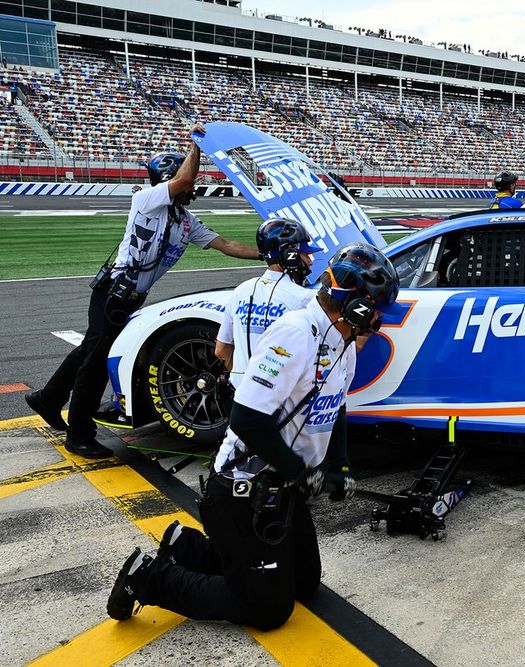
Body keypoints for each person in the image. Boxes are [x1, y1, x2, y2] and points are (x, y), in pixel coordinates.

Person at [105, 244, 400, 630]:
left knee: (305, 583)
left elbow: (336, 405)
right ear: (355, 304)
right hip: (242, 489)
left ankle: (186, 546)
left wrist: (338, 465)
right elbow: (246, 419)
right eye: (376, 308)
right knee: (269, 610)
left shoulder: (342, 341)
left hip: (285, 488)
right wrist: (299, 469)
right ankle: (148, 578)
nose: (378, 319)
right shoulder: (295, 334)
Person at [25, 125, 259, 459]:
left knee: (89, 350)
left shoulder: (186, 220)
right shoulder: (147, 200)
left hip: (131, 297)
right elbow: (181, 181)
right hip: (112, 293)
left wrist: (269, 253)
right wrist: (196, 148)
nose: (194, 187)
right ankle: (79, 434)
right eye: (188, 181)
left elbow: (226, 244)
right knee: (95, 362)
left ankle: (47, 399)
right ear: (168, 180)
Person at [215, 218, 321, 388]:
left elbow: (221, 350)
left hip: (238, 396)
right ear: (290, 256)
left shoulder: (241, 291)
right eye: (307, 254)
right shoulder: (304, 298)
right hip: (280, 400)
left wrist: (246, 383)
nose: (310, 261)